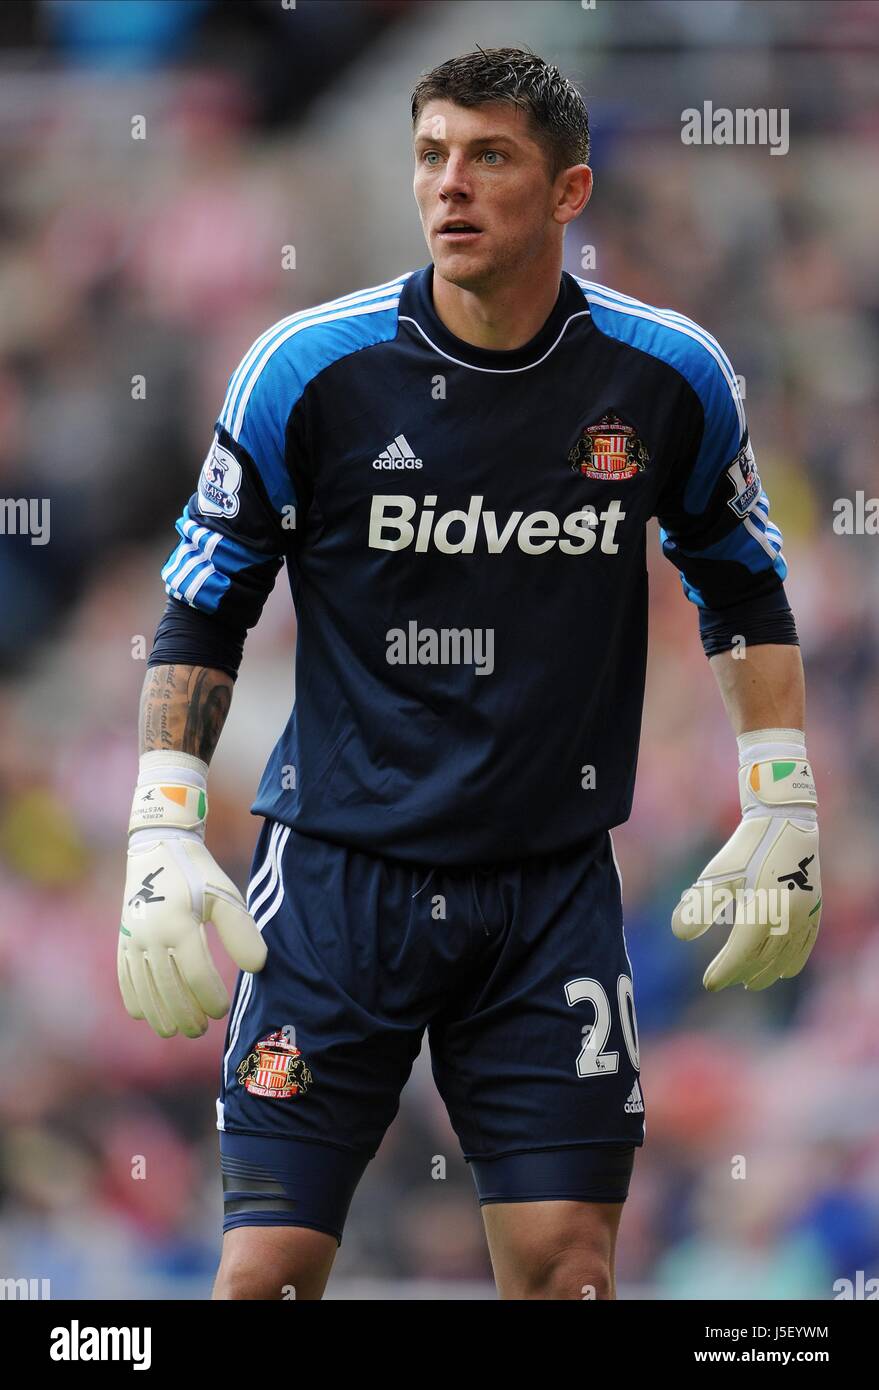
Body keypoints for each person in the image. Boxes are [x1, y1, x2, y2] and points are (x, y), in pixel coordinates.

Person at [118, 47, 821, 1301]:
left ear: (568, 191)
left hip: (549, 889)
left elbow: (744, 584)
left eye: (489, 156)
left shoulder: (668, 378)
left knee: (569, 1273)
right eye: (432, 155)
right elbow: (201, 604)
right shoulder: (306, 370)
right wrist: (162, 821)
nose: (451, 184)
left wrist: (783, 795)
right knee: (265, 1273)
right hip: (337, 880)